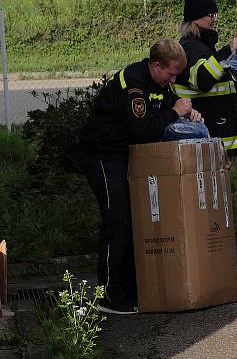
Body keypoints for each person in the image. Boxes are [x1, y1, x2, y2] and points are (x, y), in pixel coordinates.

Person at [77, 39, 200, 315]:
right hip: (102, 154)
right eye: (170, 73)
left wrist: (189, 113)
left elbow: (170, 106)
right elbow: (145, 130)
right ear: (155, 66)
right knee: (117, 219)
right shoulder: (132, 83)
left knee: (135, 219)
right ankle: (108, 295)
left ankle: (133, 288)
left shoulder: (159, 83)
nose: (174, 79)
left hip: (125, 154)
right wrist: (174, 112)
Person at [175, 0, 237, 282]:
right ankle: (223, 263)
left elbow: (223, 86)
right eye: (210, 14)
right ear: (197, 19)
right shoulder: (192, 49)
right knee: (215, 208)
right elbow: (204, 80)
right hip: (209, 140)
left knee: (219, 206)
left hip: (217, 139)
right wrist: (226, 52)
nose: (215, 18)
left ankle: (224, 260)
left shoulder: (202, 48)